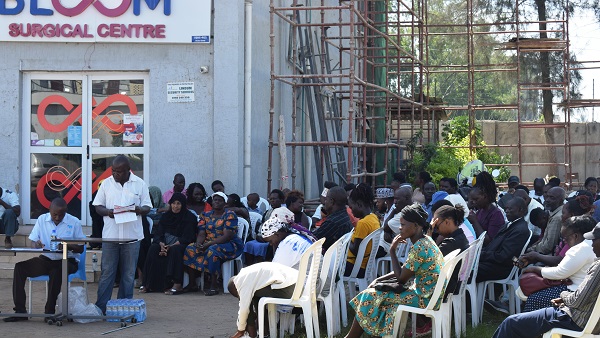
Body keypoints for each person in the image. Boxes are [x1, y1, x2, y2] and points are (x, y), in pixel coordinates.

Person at [345, 204, 444, 337]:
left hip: (424, 298)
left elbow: (402, 278)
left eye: (403, 225)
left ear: (415, 226)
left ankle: (351, 337)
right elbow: (406, 271)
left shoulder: (419, 248)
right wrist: (378, 279)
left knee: (370, 295)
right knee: (383, 298)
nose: (400, 228)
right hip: (428, 294)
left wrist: (392, 250)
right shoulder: (426, 241)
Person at [491, 223, 600, 338]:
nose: (591, 243)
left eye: (594, 240)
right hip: (581, 315)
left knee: (511, 323)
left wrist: (563, 295)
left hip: (575, 318)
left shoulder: (597, 266)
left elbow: (578, 300)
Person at [3, 198, 85, 321]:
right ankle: (20, 311)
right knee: (20, 268)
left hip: (67, 261)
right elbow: (33, 242)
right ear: (49, 210)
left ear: (66, 212)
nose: (57, 218)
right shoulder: (42, 219)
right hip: (47, 258)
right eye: (54, 215)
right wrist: (36, 244)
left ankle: (49, 313)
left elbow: (81, 248)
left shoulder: (74, 222)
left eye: (61, 215)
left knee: (56, 271)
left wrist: (67, 245)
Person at [93, 155, 152, 313]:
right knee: (107, 273)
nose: (115, 174)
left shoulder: (139, 184)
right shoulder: (106, 184)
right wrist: (109, 212)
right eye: (113, 171)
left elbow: (148, 206)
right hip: (111, 236)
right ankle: (102, 307)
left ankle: (122, 308)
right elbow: (97, 206)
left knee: (128, 275)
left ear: (128, 170)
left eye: (119, 171)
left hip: (132, 237)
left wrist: (139, 210)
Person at [519, 216, 596, 312]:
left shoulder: (581, 248)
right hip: (584, 291)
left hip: (575, 292)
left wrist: (535, 269)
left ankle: (531, 324)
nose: (564, 241)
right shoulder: (591, 243)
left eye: (565, 238)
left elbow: (560, 272)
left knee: (534, 299)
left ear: (575, 236)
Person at [182, 192, 244, 296]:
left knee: (213, 250)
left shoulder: (229, 215)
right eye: (215, 200)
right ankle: (192, 283)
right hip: (209, 243)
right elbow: (202, 233)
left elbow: (227, 236)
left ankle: (214, 285)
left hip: (229, 244)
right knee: (190, 248)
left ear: (225, 203)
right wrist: (199, 244)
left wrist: (208, 244)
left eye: (220, 200)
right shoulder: (205, 215)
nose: (217, 202)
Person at [140, 193, 197, 294]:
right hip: (165, 243)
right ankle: (148, 284)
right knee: (153, 248)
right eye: (173, 203)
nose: (175, 206)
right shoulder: (166, 216)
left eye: (178, 204)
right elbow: (159, 233)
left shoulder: (189, 217)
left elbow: (189, 237)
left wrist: (172, 245)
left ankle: (177, 284)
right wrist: (162, 244)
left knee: (176, 250)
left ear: (183, 205)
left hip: (181, 244)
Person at [477, 197, 530, 284]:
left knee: (465, 272)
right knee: (466, 267)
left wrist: (481, 255)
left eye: (510, 209)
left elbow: (505, 257)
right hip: (493, 262)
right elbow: (493, 246)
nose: (506, 211)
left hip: (502, 268)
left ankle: (467, 297)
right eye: (506, 209)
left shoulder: (520, 230)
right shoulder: (509, 225)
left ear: (521, 210)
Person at [431, 204, 470, 295]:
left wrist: (429, 233)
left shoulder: (451, 243)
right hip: (451, 284)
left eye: (436, 226)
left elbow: (427, 259)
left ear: (447, 222)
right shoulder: (461, 237)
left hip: (443, 290)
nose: (436, 230)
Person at [345, 183, 380, 278]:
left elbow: (356, 250)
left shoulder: (363, 223)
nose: (351, 211)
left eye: (351, 207)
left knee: (328, 267)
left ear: (359, 205)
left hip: (354, 267)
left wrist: (346, 240)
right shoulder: (373, 218)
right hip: (365, 266)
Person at [467, 172, 506, 244]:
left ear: (485, 196)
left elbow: (489, 241)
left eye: (476, 199)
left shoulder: (496, 214)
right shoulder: (480, 211)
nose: (473, 202)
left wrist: (474, 221)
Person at [313, 186, 353, 252]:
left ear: (331, 201)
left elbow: (313, 239)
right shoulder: (344, 216)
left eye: (326, 199)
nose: (324, 202)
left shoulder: (333, 222)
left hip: (328, 260)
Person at [528, 186, 565, 255]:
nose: (547, 200)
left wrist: (532, 249)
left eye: (552, 198)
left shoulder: (556, 218)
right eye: (547, 196)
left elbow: (548, 247)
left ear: (560, 200)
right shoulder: (553, 212)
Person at [379, 186, 413, 255]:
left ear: (406, 198)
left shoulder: (405, 213)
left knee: (364, 252)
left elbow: (385, 226)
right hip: (390, 245)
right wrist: (387, 231)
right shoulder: (413, 209)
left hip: (393, 248)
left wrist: (393, 211)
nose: (394, 202)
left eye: (397, 199)